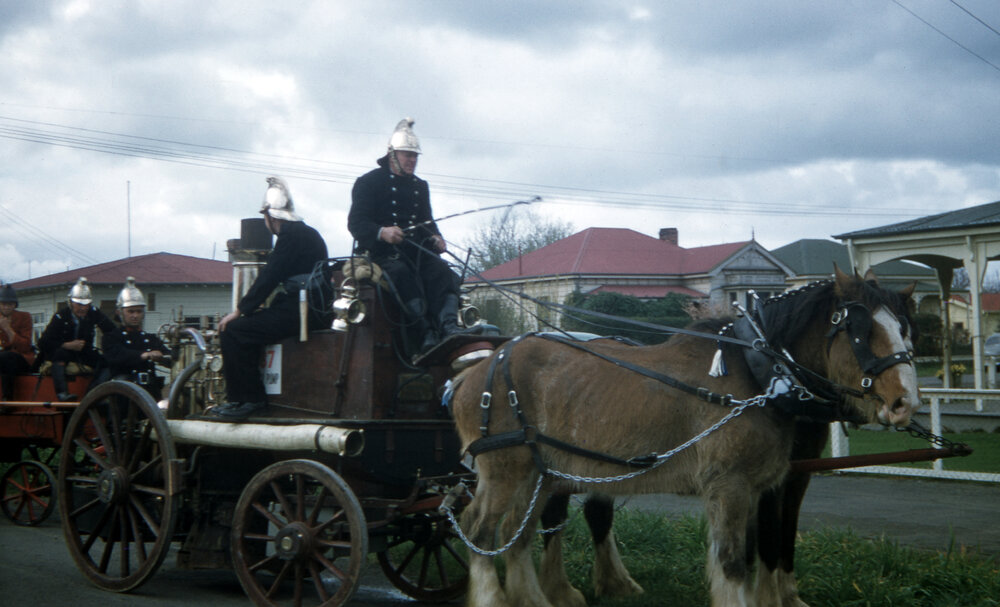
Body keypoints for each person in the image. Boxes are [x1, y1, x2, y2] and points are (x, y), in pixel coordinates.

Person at [348, 117, 468, 356]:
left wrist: (436, 237)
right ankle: (424, 332)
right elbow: (356, 223)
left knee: (442, 271)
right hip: (383, 255)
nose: (412, 160)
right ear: (392, 155)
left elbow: (427, 221)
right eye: (407, 155)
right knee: (402, 274)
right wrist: (382, 232)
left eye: (415, 156)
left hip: (417, 252)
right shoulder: (368, 182)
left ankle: (449, 327)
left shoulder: (420, 186)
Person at [212, 176, 329, 421]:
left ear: (270, 217)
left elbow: (270, 276)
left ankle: (248, 400)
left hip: (302, 309)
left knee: (234, 331)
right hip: (315, 307)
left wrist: (241, 310)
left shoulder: (290, 236)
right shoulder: (309, 232)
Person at [37, 277, 114, 401]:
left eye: (86, 304)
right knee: (60, 354)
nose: (83, 308)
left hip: (84, 353)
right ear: (71, 302)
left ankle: (93, 394)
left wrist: (109, 347)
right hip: (62, 353)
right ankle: (62, 393)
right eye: (79, 304)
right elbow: (43, 343)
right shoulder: (61, 316)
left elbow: (111, 330)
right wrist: (66, 345)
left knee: (108, 362)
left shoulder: (94, 313)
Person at [102, 277, 168, 398]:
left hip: (150, 392)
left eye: (139, 311)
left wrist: (163, 357)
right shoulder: (111, 337)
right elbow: (118, 355)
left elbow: (170, 357)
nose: (135, 315)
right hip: (122, 395)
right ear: (120, 312)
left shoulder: (150, 338)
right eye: (131, 311)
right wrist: (144, 355)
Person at [0, 284, 35, 401]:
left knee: (6, 358)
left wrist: (8, 329)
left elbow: (25, 346)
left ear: (15, 305)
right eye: (3, 304)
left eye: (10, 304)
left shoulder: (24, 317)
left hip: (20, 358)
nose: (6, 307)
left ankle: (7, 398)